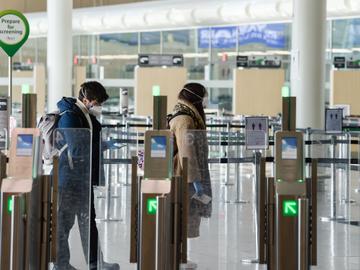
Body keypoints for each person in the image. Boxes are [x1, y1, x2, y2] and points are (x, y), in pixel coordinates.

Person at [55, 81, 120, 270]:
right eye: (97, 102)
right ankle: (60, 264)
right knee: (65, 223)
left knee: (88, 222)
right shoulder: (70, 116)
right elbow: (77, 149)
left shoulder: (84, 114)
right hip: (70, 178)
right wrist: (103, 145)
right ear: (86, 99)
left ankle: (95, 262)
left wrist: (103, 144)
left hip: (82, 177)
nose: (99, 106)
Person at [169, 83, 212, 269]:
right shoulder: (185, 119)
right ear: (196, 97)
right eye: (204, 96)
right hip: (183, 176)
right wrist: (195, 180)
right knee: (181, 217)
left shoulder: (187, 115)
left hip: (185, 175)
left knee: (184, 217)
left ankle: (181, 256)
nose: (205, 100)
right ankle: (177, 257)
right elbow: (187, 152)